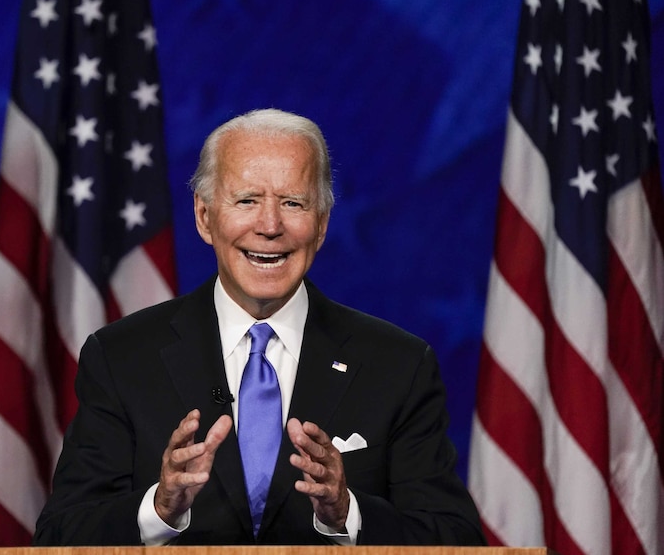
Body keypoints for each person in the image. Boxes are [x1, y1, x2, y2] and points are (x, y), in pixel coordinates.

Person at [33, 108, 485, 546]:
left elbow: (456, 539)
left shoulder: (397, 365)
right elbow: (60, 536)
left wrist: (347, 512)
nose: (270, 226)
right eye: (247, 200)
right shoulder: (122, 358)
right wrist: (160, 509)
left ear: (322, 224)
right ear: (205, 216)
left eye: (293, 203)